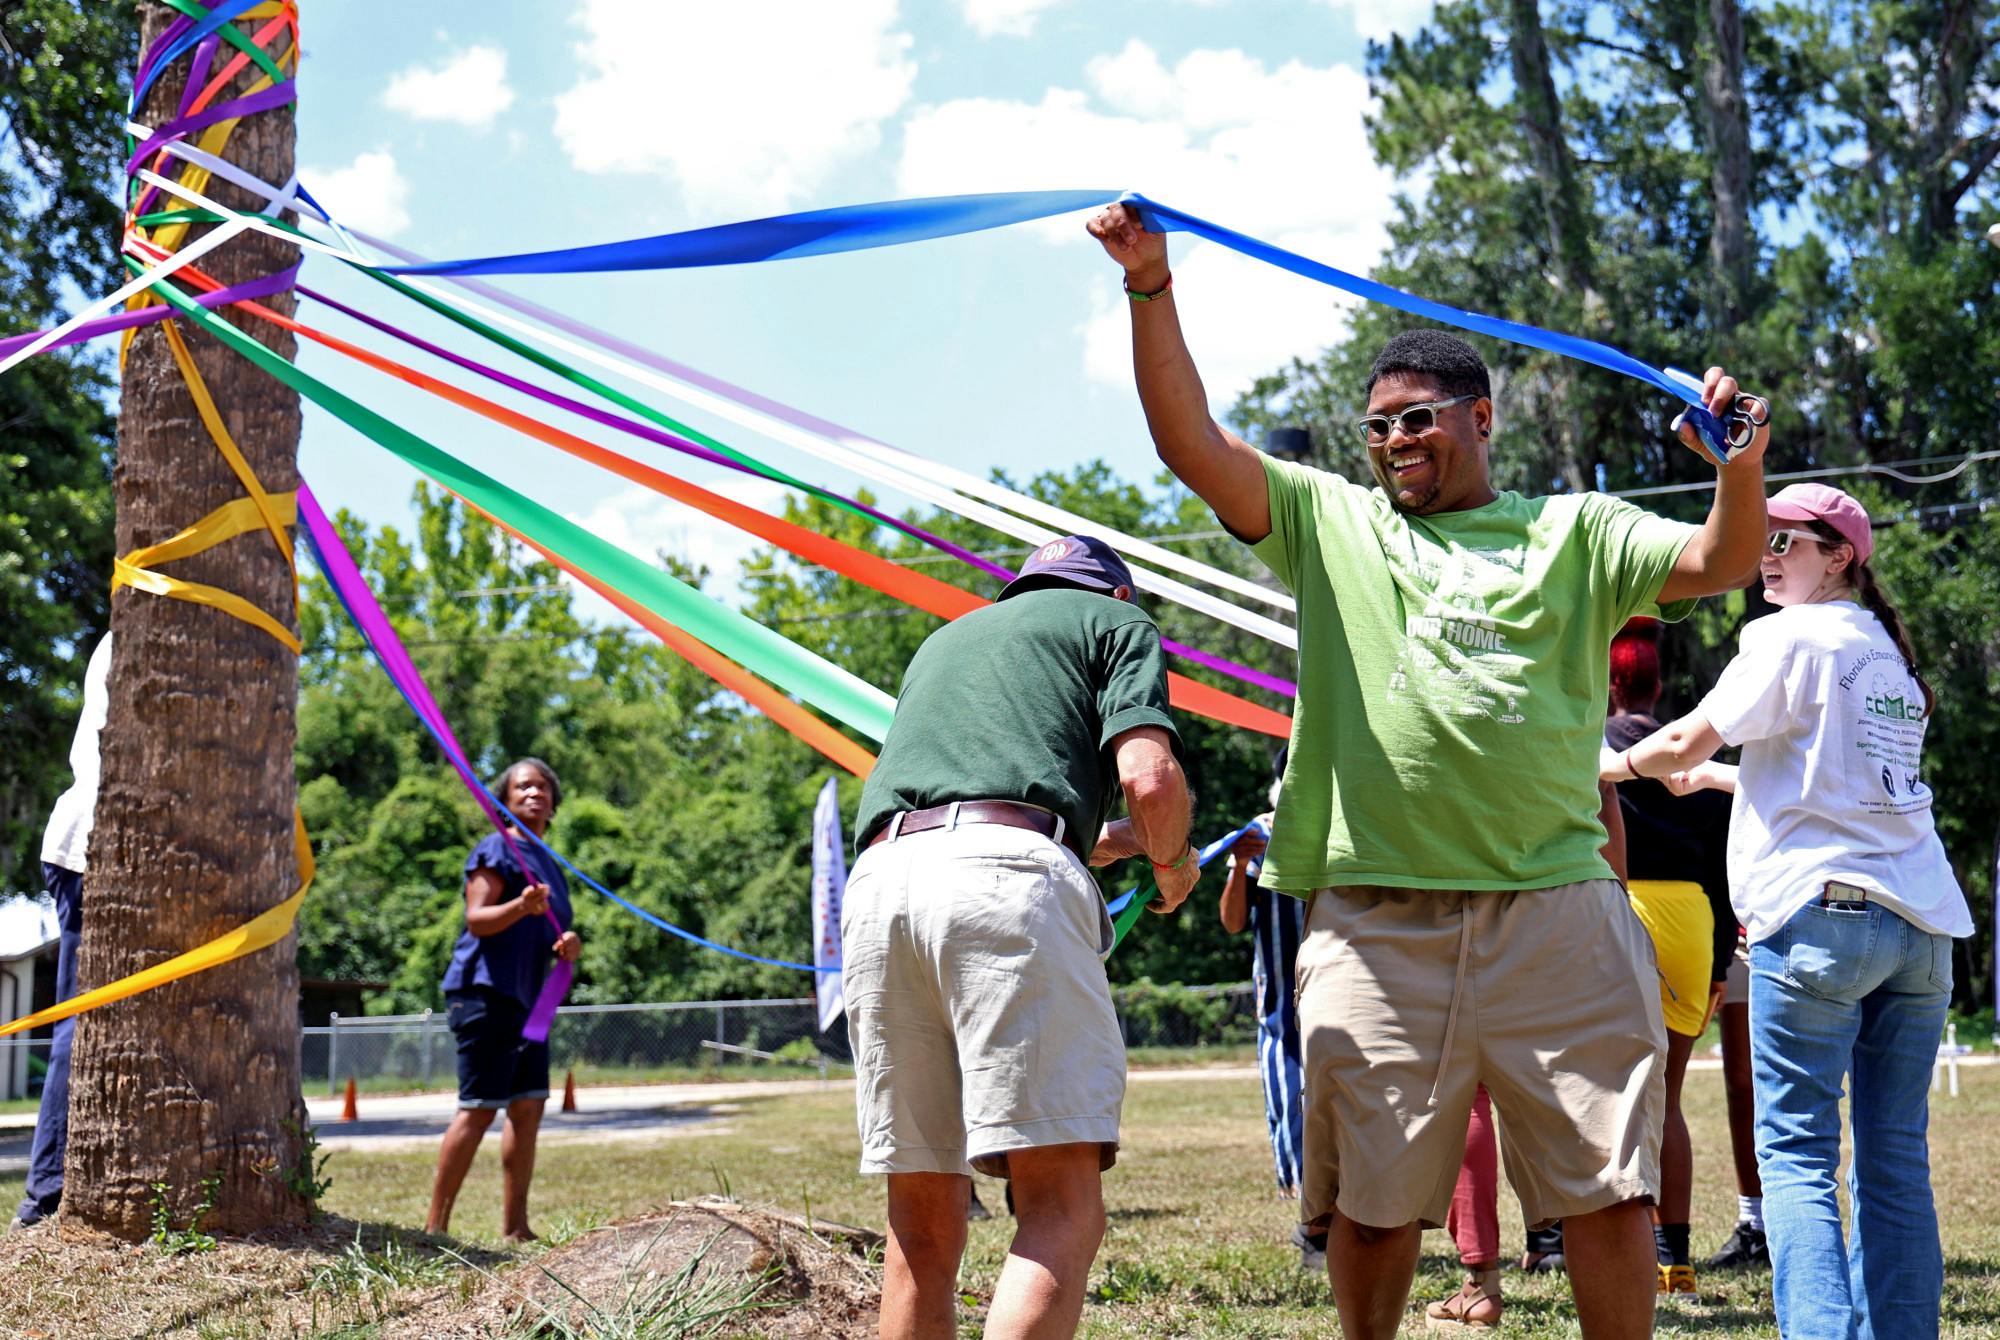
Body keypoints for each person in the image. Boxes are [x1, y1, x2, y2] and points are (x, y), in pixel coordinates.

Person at [1087, 200, 1771, 1340]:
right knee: (1372, 1202)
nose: (1393, 440)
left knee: (1608, 1189)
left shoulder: (1575, 532)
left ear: (1481, 416)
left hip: (1554, 912)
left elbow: (1722, 556)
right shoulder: (1329, 522)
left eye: (1415, 419)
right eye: (1375, 427)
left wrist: (1736, 464)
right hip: (1374, 922)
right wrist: (1149, 287)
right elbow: (1188, 443)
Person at [1603, 483, 1971, 1338]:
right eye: (1765, 539)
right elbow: (1850, 789)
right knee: (1893, 1161)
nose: (1766, 553)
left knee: (1799, 1157)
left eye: (1788, 542)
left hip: (1819, 921)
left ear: (1838, 555)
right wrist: (1725, 780)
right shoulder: (1887, 652)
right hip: (1920, 923)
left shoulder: (1786, 635)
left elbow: (1683, 736)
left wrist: (1604, 768)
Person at [843, 533, 1199, 1340]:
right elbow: (1149, 776)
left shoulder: (948, 640)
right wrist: (1174, 865)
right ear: (1117, 594)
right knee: (1060, 1200)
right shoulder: (1113, 623)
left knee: (921, 1221)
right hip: (1004, 884)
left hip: (881, 884)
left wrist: (1110, 840)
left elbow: (986, 805)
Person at [1428, 780, 1628, 1327]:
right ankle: (1546, 1242)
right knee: (1562, 1089)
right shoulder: (1565, 698)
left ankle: (1480, 1279)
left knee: (1468, 1097)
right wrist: (1620, 902)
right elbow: (1603, 793)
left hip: (1454, 899)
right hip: (1562, 901)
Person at [1603, 618, 1735, 1297]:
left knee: (1616, 1099)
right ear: (1656, 687)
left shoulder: (1589, 746)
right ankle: (1673, 1259)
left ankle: (1621, 1254)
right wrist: (1717, 961)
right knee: (1671, 1098)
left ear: (1610, 684)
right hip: (1693, 919)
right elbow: (1721, 856)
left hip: (1623, 911)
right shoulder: (1690, 747)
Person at [424, 757, 582, 1242]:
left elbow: (547, 925)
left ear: (553, 803)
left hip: (529, 1001)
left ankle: (516, 1227)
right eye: (522, 788)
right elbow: (477, 918)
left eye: (542, 788)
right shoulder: (497, 848)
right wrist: (520, 906)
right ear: (505, 800)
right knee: (479, 1106)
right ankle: (435, 1229)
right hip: (485, 993)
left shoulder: (550, 863)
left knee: (528, 1106)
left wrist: (568, 947)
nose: (534, 794)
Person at [10, 634, 110, 1231]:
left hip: (86, 847)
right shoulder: (145, 619)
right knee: (79, 1023)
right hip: (86, 851)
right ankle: (43, 1194)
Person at [1216, 750, 1321, 1269]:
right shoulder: (1259, 834)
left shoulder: (1338, 828)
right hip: (1280, 1003)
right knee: (1292, 1106)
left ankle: (1328, 1225)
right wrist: (1239, 865)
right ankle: (1314, 1224)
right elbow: (1233, 922)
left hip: (1336, 992)